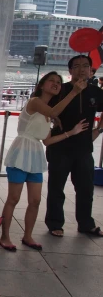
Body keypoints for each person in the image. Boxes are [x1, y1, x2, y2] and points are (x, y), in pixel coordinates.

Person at [0, 71, 88, 251]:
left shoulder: (49, 113)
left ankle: (28, 236)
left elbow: (47, 141)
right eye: (52, 81)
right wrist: (74, 92)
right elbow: (54, 111)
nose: (56, 84)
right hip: (21, 151)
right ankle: (5, 236)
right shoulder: (35, 102)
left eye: (59, 82)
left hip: (36, 155)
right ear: (42, 84)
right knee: (13, 198)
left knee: (35, 200)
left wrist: (71, 133)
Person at [45, 54, 103, 237]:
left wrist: (99, 130)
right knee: (56, 187)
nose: (81, 69)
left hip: (84, 148)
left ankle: (86, 223)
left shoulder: (95, 91)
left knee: (86, 188)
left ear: (91, 70)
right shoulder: (61, 89)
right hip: (60, 146)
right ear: (70, 71)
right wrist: (53, 118)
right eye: (76, 66)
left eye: (85, 66)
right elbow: (43, 106)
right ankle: (55, 223)